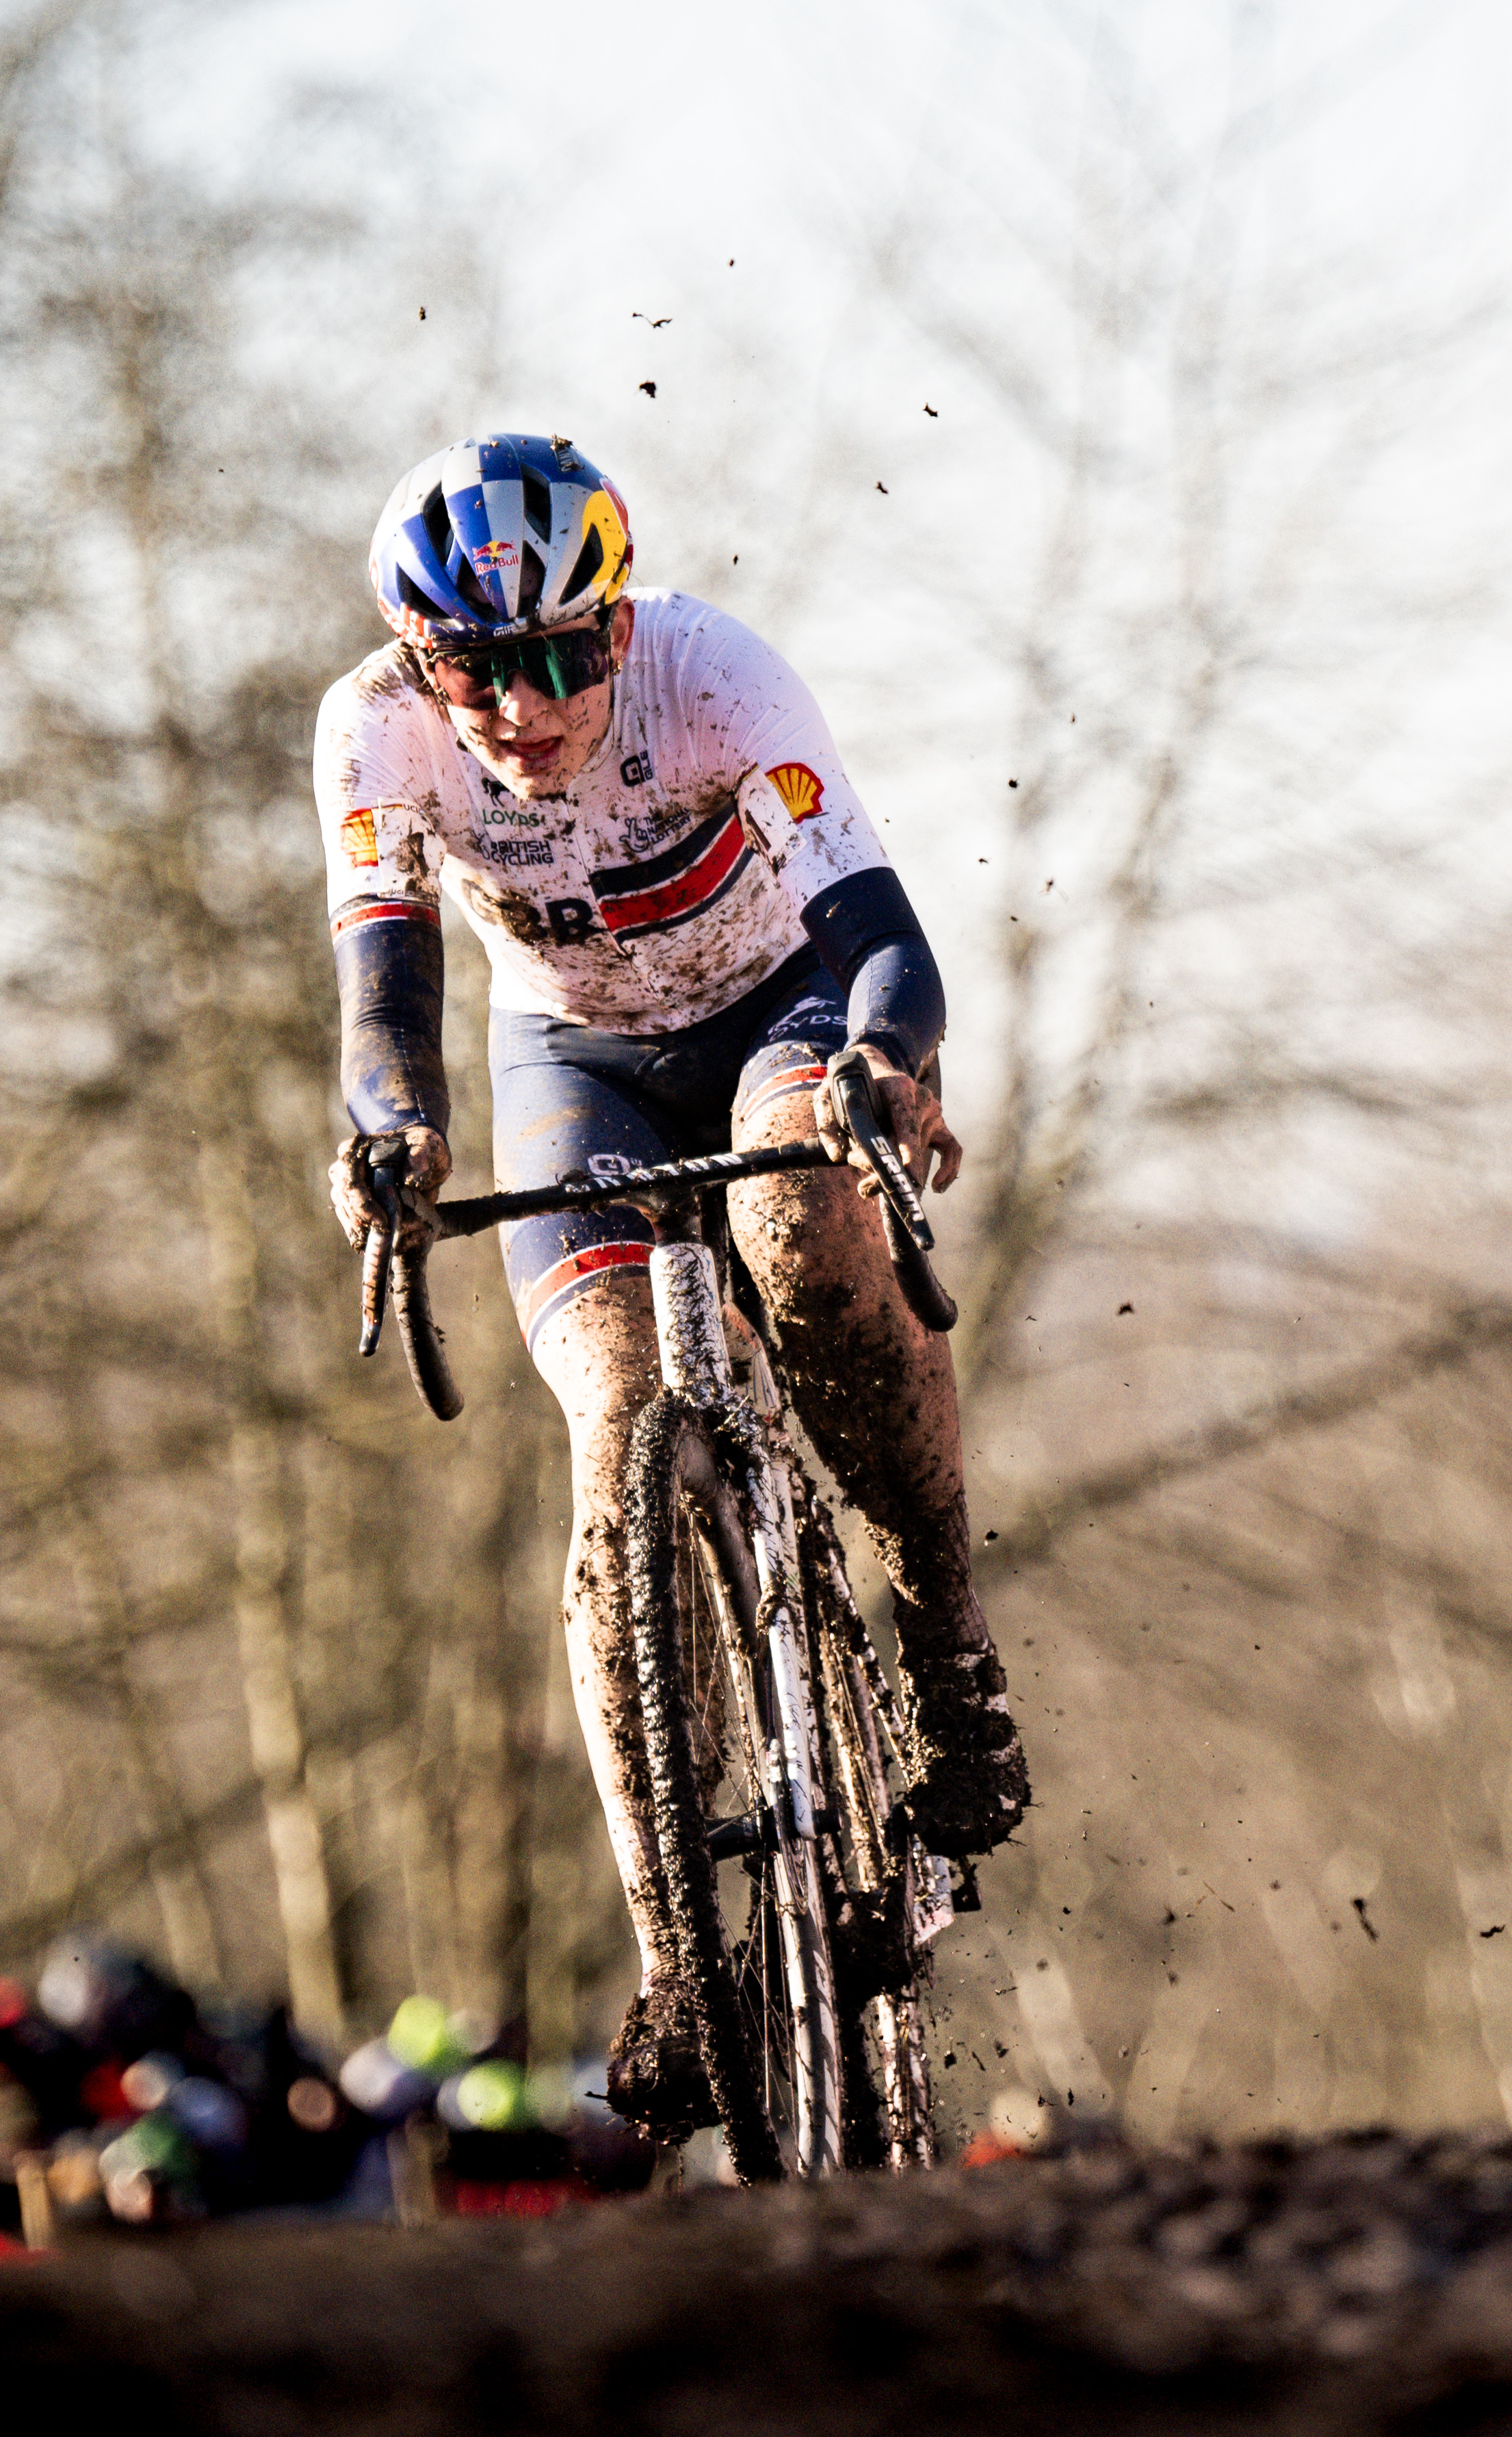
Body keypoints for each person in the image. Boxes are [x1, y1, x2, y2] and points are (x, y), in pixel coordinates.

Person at [312, 433, 1028, 2137]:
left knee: (799, 1239)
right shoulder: (373, 730)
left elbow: (880, 932)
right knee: (614, 1420)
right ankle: (675, 1958)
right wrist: (395, 1131)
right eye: (474, 666)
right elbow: (385, 988)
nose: (522, 706)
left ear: (619, 628)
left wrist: (883, 1059)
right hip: (574, 1060)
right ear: (418, 659)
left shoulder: (715, 678)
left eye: (564, 656)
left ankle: (945, 1638)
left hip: (779, 1011)